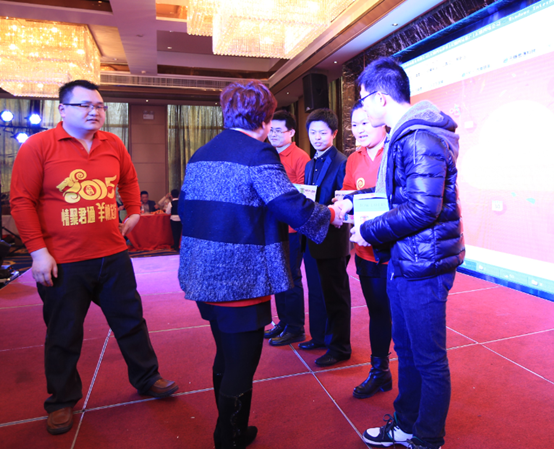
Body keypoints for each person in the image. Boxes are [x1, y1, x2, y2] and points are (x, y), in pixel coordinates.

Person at [9, 80, 178, 436]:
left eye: (99, 106)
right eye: (85, 105)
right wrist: (38, 253)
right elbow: (22, 202)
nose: (94, 112)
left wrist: (134, 210)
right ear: (62, 109)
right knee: (64, 333)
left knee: (131, 322)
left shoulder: (112, 143)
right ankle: (62, 400)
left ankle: (147, 377)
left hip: (113, 255)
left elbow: (129, 181)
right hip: (63, 261)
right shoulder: (39, 146)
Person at [178, 80, 333, 449]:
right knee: (241, 364)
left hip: (203, 272)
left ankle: (228, 430)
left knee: (225, 354)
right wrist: (331, 213)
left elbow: (186, 207)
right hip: (240, 277)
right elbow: (288, 204)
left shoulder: (202, 152)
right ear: (265, 118)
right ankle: (228, 436)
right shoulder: (259, 153)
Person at [335, 57, 465, 449]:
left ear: (380, 98)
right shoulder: (405, 134)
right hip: (407, 259)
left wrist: (367, 230)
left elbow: (423, 209)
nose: (362, 111)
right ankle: (407, 424)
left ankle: (428, 438)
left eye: (363, 101)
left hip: (424, 264)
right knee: (407, 352)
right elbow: (399, 199)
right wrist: (357, 204)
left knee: (428, 359)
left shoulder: (418, 136)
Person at [343, 101, 393, 399]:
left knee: (400, 315)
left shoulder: (396, 151)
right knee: (377, 312)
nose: (359, 129)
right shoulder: (354, 159)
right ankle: (380, 370)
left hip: (395, 254)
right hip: (365, 252)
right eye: (355, 124)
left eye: (365, 122)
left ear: (382, 120)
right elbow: (350, 198)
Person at [302, 108, 352, 368]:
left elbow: (344, 200)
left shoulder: (342, 161)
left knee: (336, 294)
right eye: (313, 132)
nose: (317, 137)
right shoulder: (310, 163)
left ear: (334, 133)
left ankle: (340, 347)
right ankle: (321, 336)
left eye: (322, 132)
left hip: (333, 238)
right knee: (318, 291)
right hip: (313, 235)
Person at [264, 110, 311, 346]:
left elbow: (305, 193)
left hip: (292, 229)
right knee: (277, 276)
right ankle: (283, 321)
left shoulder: (300, 157)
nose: (272, 134)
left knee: (291, 277)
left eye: (278, 130)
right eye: (270, 130)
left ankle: (295, 327)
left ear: (291, 132)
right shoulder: (267, 154)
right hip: (271, 227)